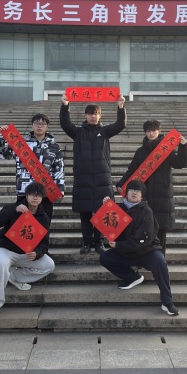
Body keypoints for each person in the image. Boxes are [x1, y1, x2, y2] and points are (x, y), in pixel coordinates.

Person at [98, 180, 179, 316]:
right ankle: (132, 277)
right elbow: (109, 228)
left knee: (160, 262)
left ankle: (167, 302)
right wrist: (106, 207)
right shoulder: (118, 209)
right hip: (126, 252)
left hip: (147, 251)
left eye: (138, 191)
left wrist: (119, 245)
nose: (134, 193)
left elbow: (143, 240)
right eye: (131, 190)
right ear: (126, 193)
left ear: (142, 196)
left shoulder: (146, 211)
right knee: (105, 257)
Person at [59, 93, 126, 254]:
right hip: (83, 179)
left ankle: (99, 242)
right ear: (86, 116)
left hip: (102, 179)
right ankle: (86, 243)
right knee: (85, 214)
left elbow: (120, 125)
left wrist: (121, 107)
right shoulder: (78, 132)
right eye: (90, 114)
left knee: (103, 212)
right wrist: (65, 106)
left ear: (99, 115)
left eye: (96, 114)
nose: (93, 116)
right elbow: (65, 124)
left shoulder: (105, 131)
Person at [117, 120, 187, 253]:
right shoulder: (140, 152)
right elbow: (132, 170)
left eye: (154, 130)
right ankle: (145, 258)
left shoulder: (166, 150)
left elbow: (180, 164)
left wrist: (183, 147)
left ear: (159, 131)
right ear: (145, 132)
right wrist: (121, 183)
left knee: (160, 231)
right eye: (148, 131)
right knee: (144, 229)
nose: (151, 133)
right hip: (145, 195)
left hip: (163, 195)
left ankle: (160, 259)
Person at [0, 181, 55, 318]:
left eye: (38, 195)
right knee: (0, 265)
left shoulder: (43, 217)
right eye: (32, 194)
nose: (35, 198)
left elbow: (44, 242)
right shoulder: (15, 208)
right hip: (5, 249)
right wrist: (13, 210)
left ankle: (13, 277)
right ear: (27, 195)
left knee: (49, 265)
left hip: (26, 254)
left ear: (42, 198)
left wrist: (37, 253)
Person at [0, 112, 65, 219]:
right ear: (32, 125)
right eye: (37, 123)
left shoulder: (54, 147)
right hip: (24, 190)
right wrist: (2, 136)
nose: (39, 126)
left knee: (44, 223)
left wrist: (60, 188)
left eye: (43, 124)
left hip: (45, 191)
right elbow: (3, 155)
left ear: (47, 126)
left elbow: (59, 169)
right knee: (23, 222)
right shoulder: (20, 143)